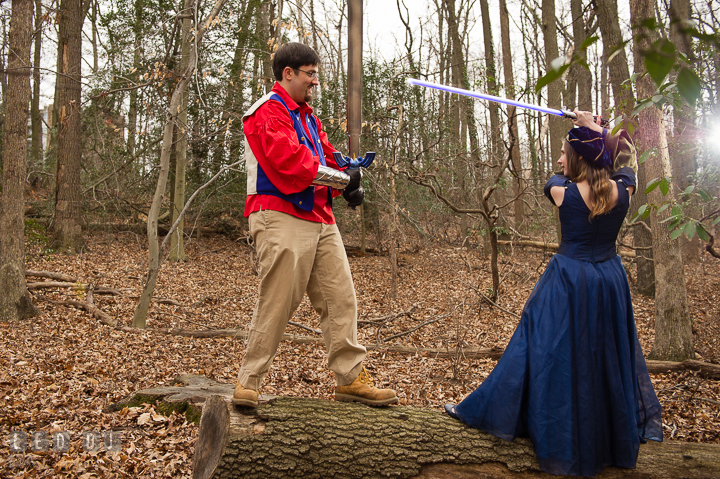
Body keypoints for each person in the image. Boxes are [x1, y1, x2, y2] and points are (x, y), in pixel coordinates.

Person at [444, 112, 662, 477]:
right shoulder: (623, 192)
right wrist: (598, 131)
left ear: (577, 159)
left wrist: (588, 134)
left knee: (541, 345)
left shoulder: (561, 190)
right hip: (608, 279)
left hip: (568, 278)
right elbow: (627, 154)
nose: (560, 160)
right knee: (602, 351)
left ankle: (524, 419)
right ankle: (603, 435)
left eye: (564, 153)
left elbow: (556, 177)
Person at [232, 42, 398, 408]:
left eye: (316, 75)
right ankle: (249, 380)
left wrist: (348, 178)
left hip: (319, 219)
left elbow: (325, 157)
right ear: (287, 74)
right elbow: (292, 163)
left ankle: (351, 378)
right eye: (310, 75)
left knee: (341, 299)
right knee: (278, 300)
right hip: (280, 215)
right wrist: (343, 180)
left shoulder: (308, 118)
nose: (315, 82)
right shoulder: (266, 113)